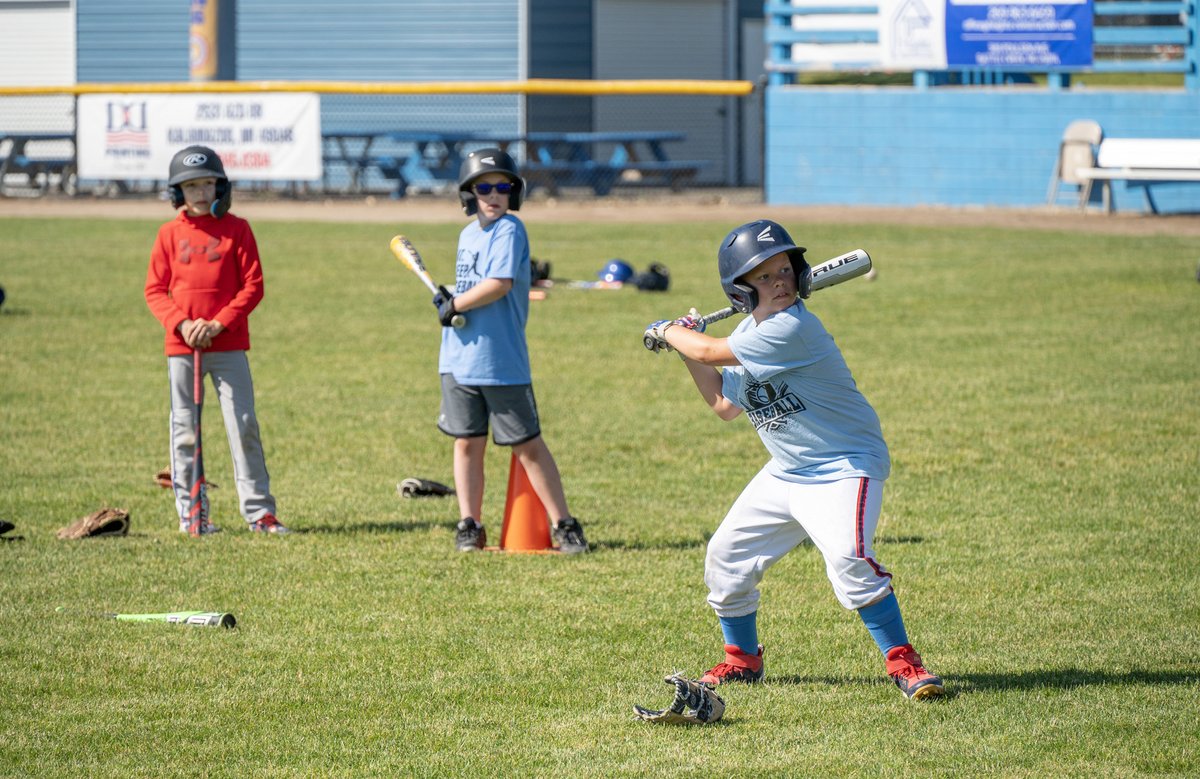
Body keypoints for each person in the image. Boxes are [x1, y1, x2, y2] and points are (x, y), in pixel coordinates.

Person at [643, 219, 943, 700]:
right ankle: (741, 661)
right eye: (763, 276)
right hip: (787, 470)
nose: (779, 281)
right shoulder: (749, 332)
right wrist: (686, 350)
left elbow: (711, 349)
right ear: (739, 291)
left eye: (785, 269)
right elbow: (724, 404)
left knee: (849, 560)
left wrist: (671, 332)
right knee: (726, 559)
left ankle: (905, 665)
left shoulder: (792, 327)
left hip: (843, 465)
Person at [432, 148, 588, 554]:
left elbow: (499, 282)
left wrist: (457, 303)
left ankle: (564, 524)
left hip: (499, 361)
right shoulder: (468, 235)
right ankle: (470, 523)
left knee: (528, 445)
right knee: (466, 442)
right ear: (469, 192)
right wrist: (450, 298)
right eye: (485, 187)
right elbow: (471, 287)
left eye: (503, 187)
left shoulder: (510, 230)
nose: (494, 194)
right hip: (458, 358)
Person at [144, 145, 287, 536]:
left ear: (220, 186)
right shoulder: (168, 234)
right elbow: (155, 290)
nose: (201, 192)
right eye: (191, 185)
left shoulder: (238, 228)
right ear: (178, 191)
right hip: (183, 347)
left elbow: (253, 286)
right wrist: (182, 324)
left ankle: (260, 514)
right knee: (185, 430)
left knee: (243, 425)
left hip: (228, 345)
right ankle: (191, 516)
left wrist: (219, 323)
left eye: (208, 183)